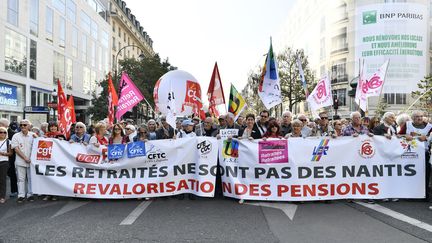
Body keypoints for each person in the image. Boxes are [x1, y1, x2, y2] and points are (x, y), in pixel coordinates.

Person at [398, 111, 432, 202]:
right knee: (410, 174)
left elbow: (430, 138)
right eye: (417, 116)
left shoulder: (429, 127)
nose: (420, 118)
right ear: (413, 118)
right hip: (409, 154)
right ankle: (409, 194)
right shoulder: (407, 125)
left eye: (421, 116)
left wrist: (427, 138)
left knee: (424, 175)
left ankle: (424, 195)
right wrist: (405, 136)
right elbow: (398, 135)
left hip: (424, 154)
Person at [11, 119, 37, 203]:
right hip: (20, 161)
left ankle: (30, 194)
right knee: (20, 179)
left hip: (31, 162)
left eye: (25, 125)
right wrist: (25, 158)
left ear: (29, 126)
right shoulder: (16, 136)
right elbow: (16, 149)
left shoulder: (33, 135)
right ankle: (21, 195)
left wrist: (38, 138)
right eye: (21, 125)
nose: (22, 126)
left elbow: (39, 146)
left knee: (30, 179)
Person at [0, 118, 17, 198]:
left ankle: (14, 191)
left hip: (10, 158)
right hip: (2, 159)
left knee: (11, 174)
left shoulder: (13, 134)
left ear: (3, 125)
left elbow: (14, 147)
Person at [0, 127, 12, 204]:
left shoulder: (8, 142)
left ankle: (2, 196)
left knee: (2, 180)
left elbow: (11, 153)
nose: (2, 134)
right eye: (1, 132)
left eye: (4, 132)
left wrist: (2, 153)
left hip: (4, 162)